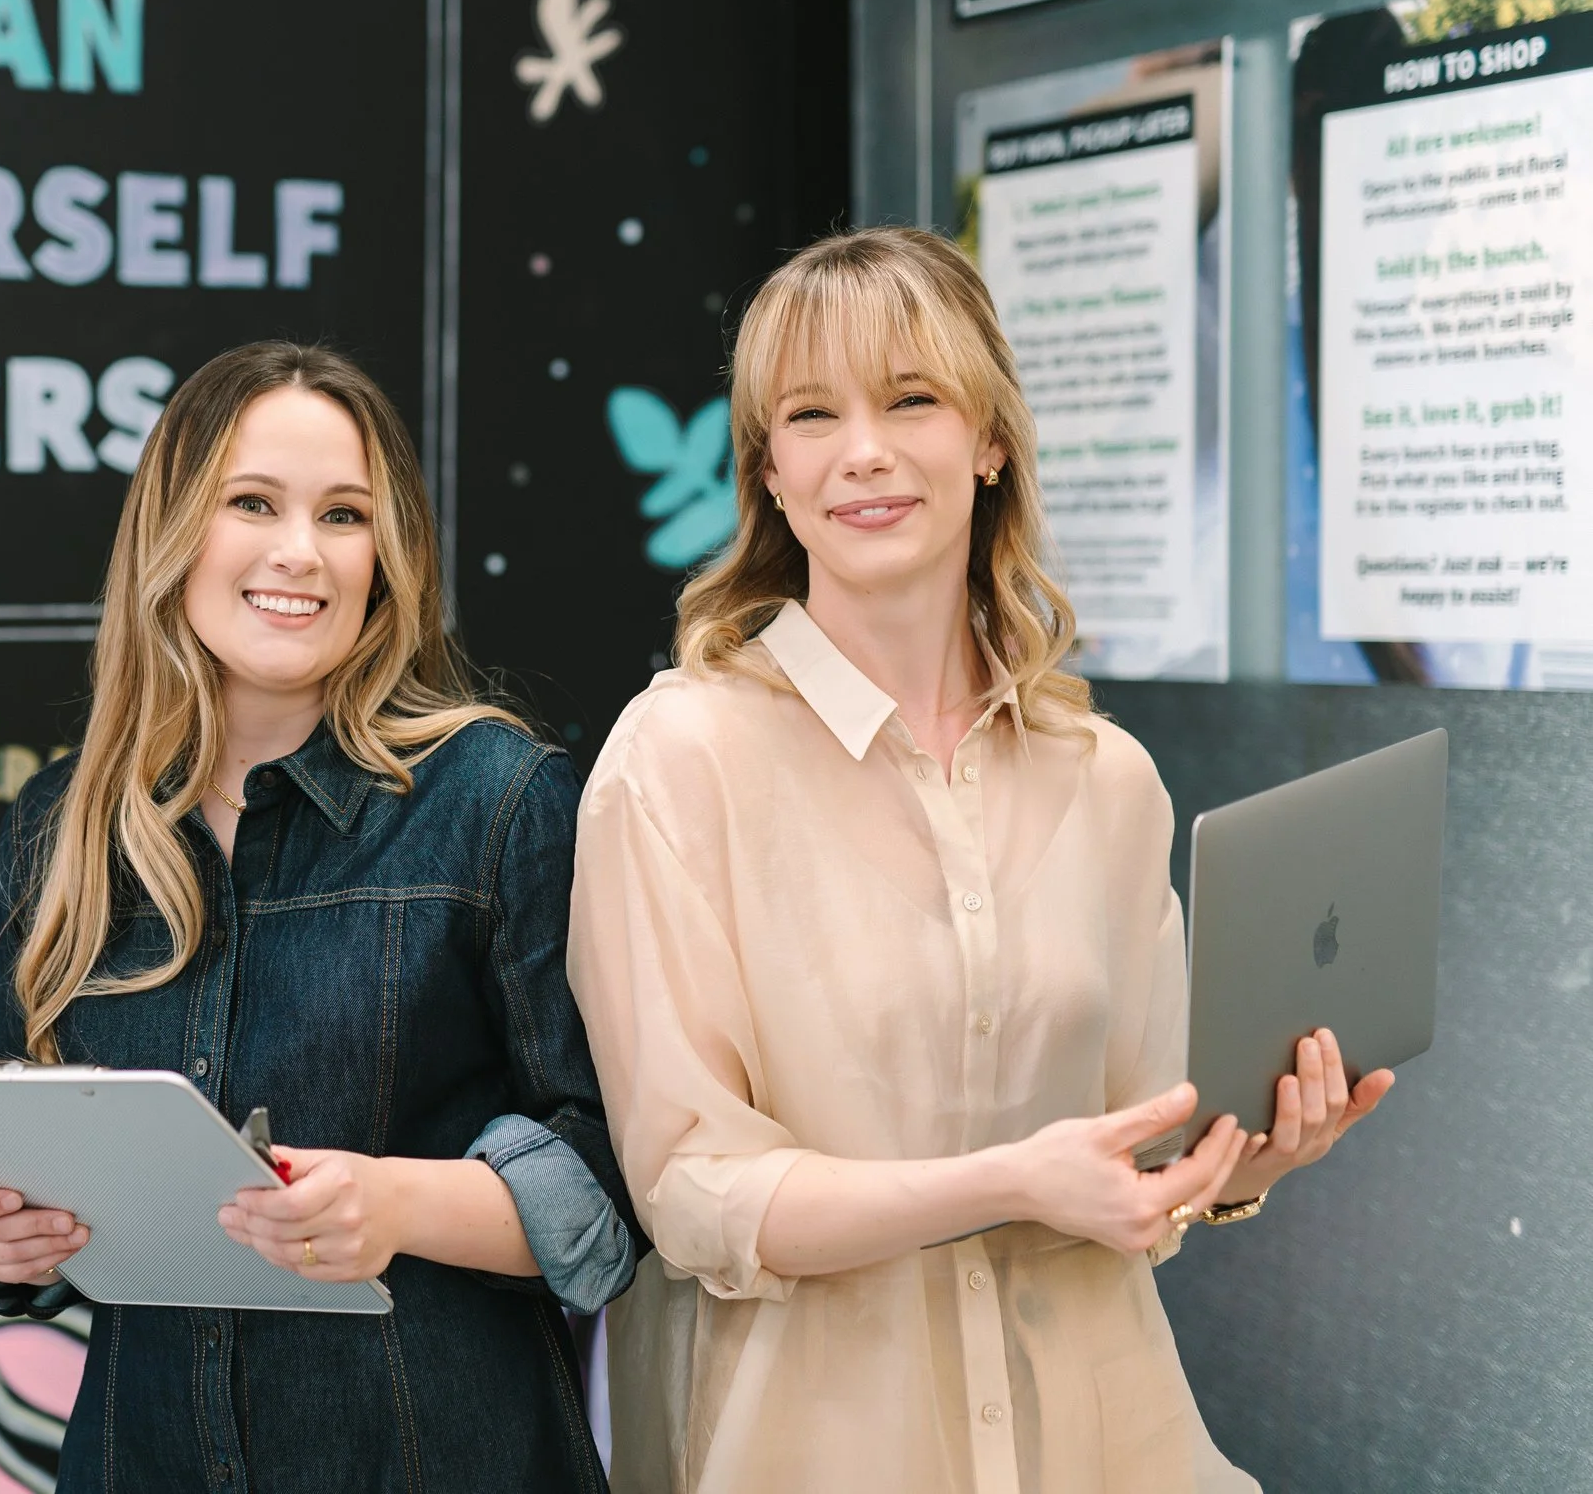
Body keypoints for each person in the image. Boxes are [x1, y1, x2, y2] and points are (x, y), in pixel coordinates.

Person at [568, 228, 1393, 1494]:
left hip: (1102, 1447)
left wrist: (1244, 1166)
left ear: (990, 439)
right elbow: (694, 1194)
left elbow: (1142, 1157)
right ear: (770, 472)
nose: (863, 451)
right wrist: (1008, 1180)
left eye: (911, 399)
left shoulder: (1103, 776)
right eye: (810, 414)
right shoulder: (678, 758)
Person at [0, 340, 642, 1492]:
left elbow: (613, 1192)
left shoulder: (496, 801)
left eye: (344, 515)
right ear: (175, 531)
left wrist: (399, 1203)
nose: (298, 553)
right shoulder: (57, 830)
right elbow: (11, 1174)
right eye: (252, 503)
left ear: (389, 555)